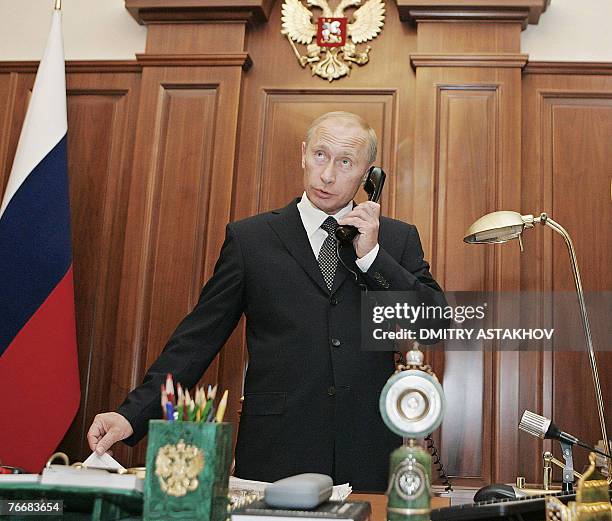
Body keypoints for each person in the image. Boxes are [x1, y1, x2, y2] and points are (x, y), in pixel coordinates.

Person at [87, 111, 446, 491]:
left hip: (367, 450)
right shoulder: (250, 239)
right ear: (304, 154)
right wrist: (132, 415)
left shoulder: (396, 239)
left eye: (345, 163)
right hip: (276, 450)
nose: (327, 175)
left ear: (368, 175)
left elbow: (434, 323)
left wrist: (372, 256)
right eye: (321, 156)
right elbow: (196, 340)